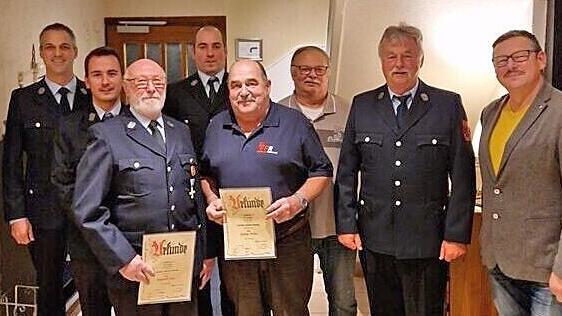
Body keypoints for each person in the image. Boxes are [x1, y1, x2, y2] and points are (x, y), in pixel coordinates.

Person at [335, 23, 475, 316]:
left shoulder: (446, 104)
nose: (399, 63)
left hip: (427, 238)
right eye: (391, 56)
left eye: (408, 55)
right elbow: (347, 171)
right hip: (376, 236)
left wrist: (456, 234)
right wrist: (347, 224)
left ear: (421, 60)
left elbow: (462, 175)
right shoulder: (363, 105)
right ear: (382, 61)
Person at [72, 59, 208, 315]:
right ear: (126, 87)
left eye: (157, 82)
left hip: (181, 265)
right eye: (141, 82)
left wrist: (202, 254)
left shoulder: (180, 131)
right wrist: (124, 259)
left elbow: (194, 197)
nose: (151, 89)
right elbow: (87, 211)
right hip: (137, 268)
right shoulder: (106, 135)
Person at [202, 59, 333, 315]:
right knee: (245, 310)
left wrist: (298, 201)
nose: (244, 92)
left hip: (288, 241)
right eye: (236, 85)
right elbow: (205, 174)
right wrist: (211, 199)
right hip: (238, 244)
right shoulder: (216, 126)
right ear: (228, 91)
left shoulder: (295, 123)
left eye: (252, 83)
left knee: (291, 310)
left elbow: (322, 170)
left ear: (268, 86)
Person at [3, 22, 89, 316]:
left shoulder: (91, 97)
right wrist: (16, 214)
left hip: (88, 209)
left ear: (75, 51)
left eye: (64, 46)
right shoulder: (24, 100)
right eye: (50, 47)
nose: (57, 53)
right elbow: (12, 162)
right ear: (41, 53)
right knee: (49, 285)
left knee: (92, 282)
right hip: (43, 209)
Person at [479, 30, 562, 315]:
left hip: (546, 269)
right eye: (501, 60)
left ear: (541, 59)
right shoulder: (490, 113)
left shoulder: (559, 111)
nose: (510, 65)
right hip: (500, 262)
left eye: (519, 56)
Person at [279, 46, 357, 316]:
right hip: (291, 227)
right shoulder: (277, 113)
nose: (311, 75)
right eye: (304, 69)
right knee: (291, 302)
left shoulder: (351, 112)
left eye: (319, 69)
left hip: (338, 225)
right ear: (293, 72)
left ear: (328, 72)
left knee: (343, 302)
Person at [163, 24, 233, 316]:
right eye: (203, 47)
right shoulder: (176, 93)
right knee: (199, 275)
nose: (210, 53)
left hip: (233, 192)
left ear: (225, 51)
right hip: (192, 195)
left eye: (216, 46)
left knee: (235, 278)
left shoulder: (240, 86)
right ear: (193, 52)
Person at [51, 46, 124, 316]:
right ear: (86, 81)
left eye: (112, 73)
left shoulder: (138, 120)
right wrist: (94, 223)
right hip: (87, 242)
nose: (105, 81)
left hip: (131, 240)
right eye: (97, 74)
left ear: (122, 77)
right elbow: (62, 182)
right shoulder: (69, 126)